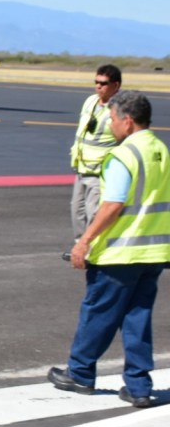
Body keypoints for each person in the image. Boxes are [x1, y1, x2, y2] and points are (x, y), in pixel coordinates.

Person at [48, 90, 169, 409]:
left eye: (113, 118)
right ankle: (139, 385)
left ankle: (81, 372)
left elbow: (113, 204)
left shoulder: (124, 155)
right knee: (137, 318)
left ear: (127, 121)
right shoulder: (160, 150)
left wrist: (84, 241)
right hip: (153, 253)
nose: (111, 125)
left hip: (119, 252)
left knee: (98, 312)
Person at [69, 64, 122, 245]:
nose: (98, 86)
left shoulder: (119, 110)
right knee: (77, 210)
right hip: (82, 166)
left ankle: (92, 248)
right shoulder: (90, 101)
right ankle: (80, 245)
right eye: (96, 82)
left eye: (104, 83)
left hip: (99, 170)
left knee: (94, 212)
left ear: (116, 86)